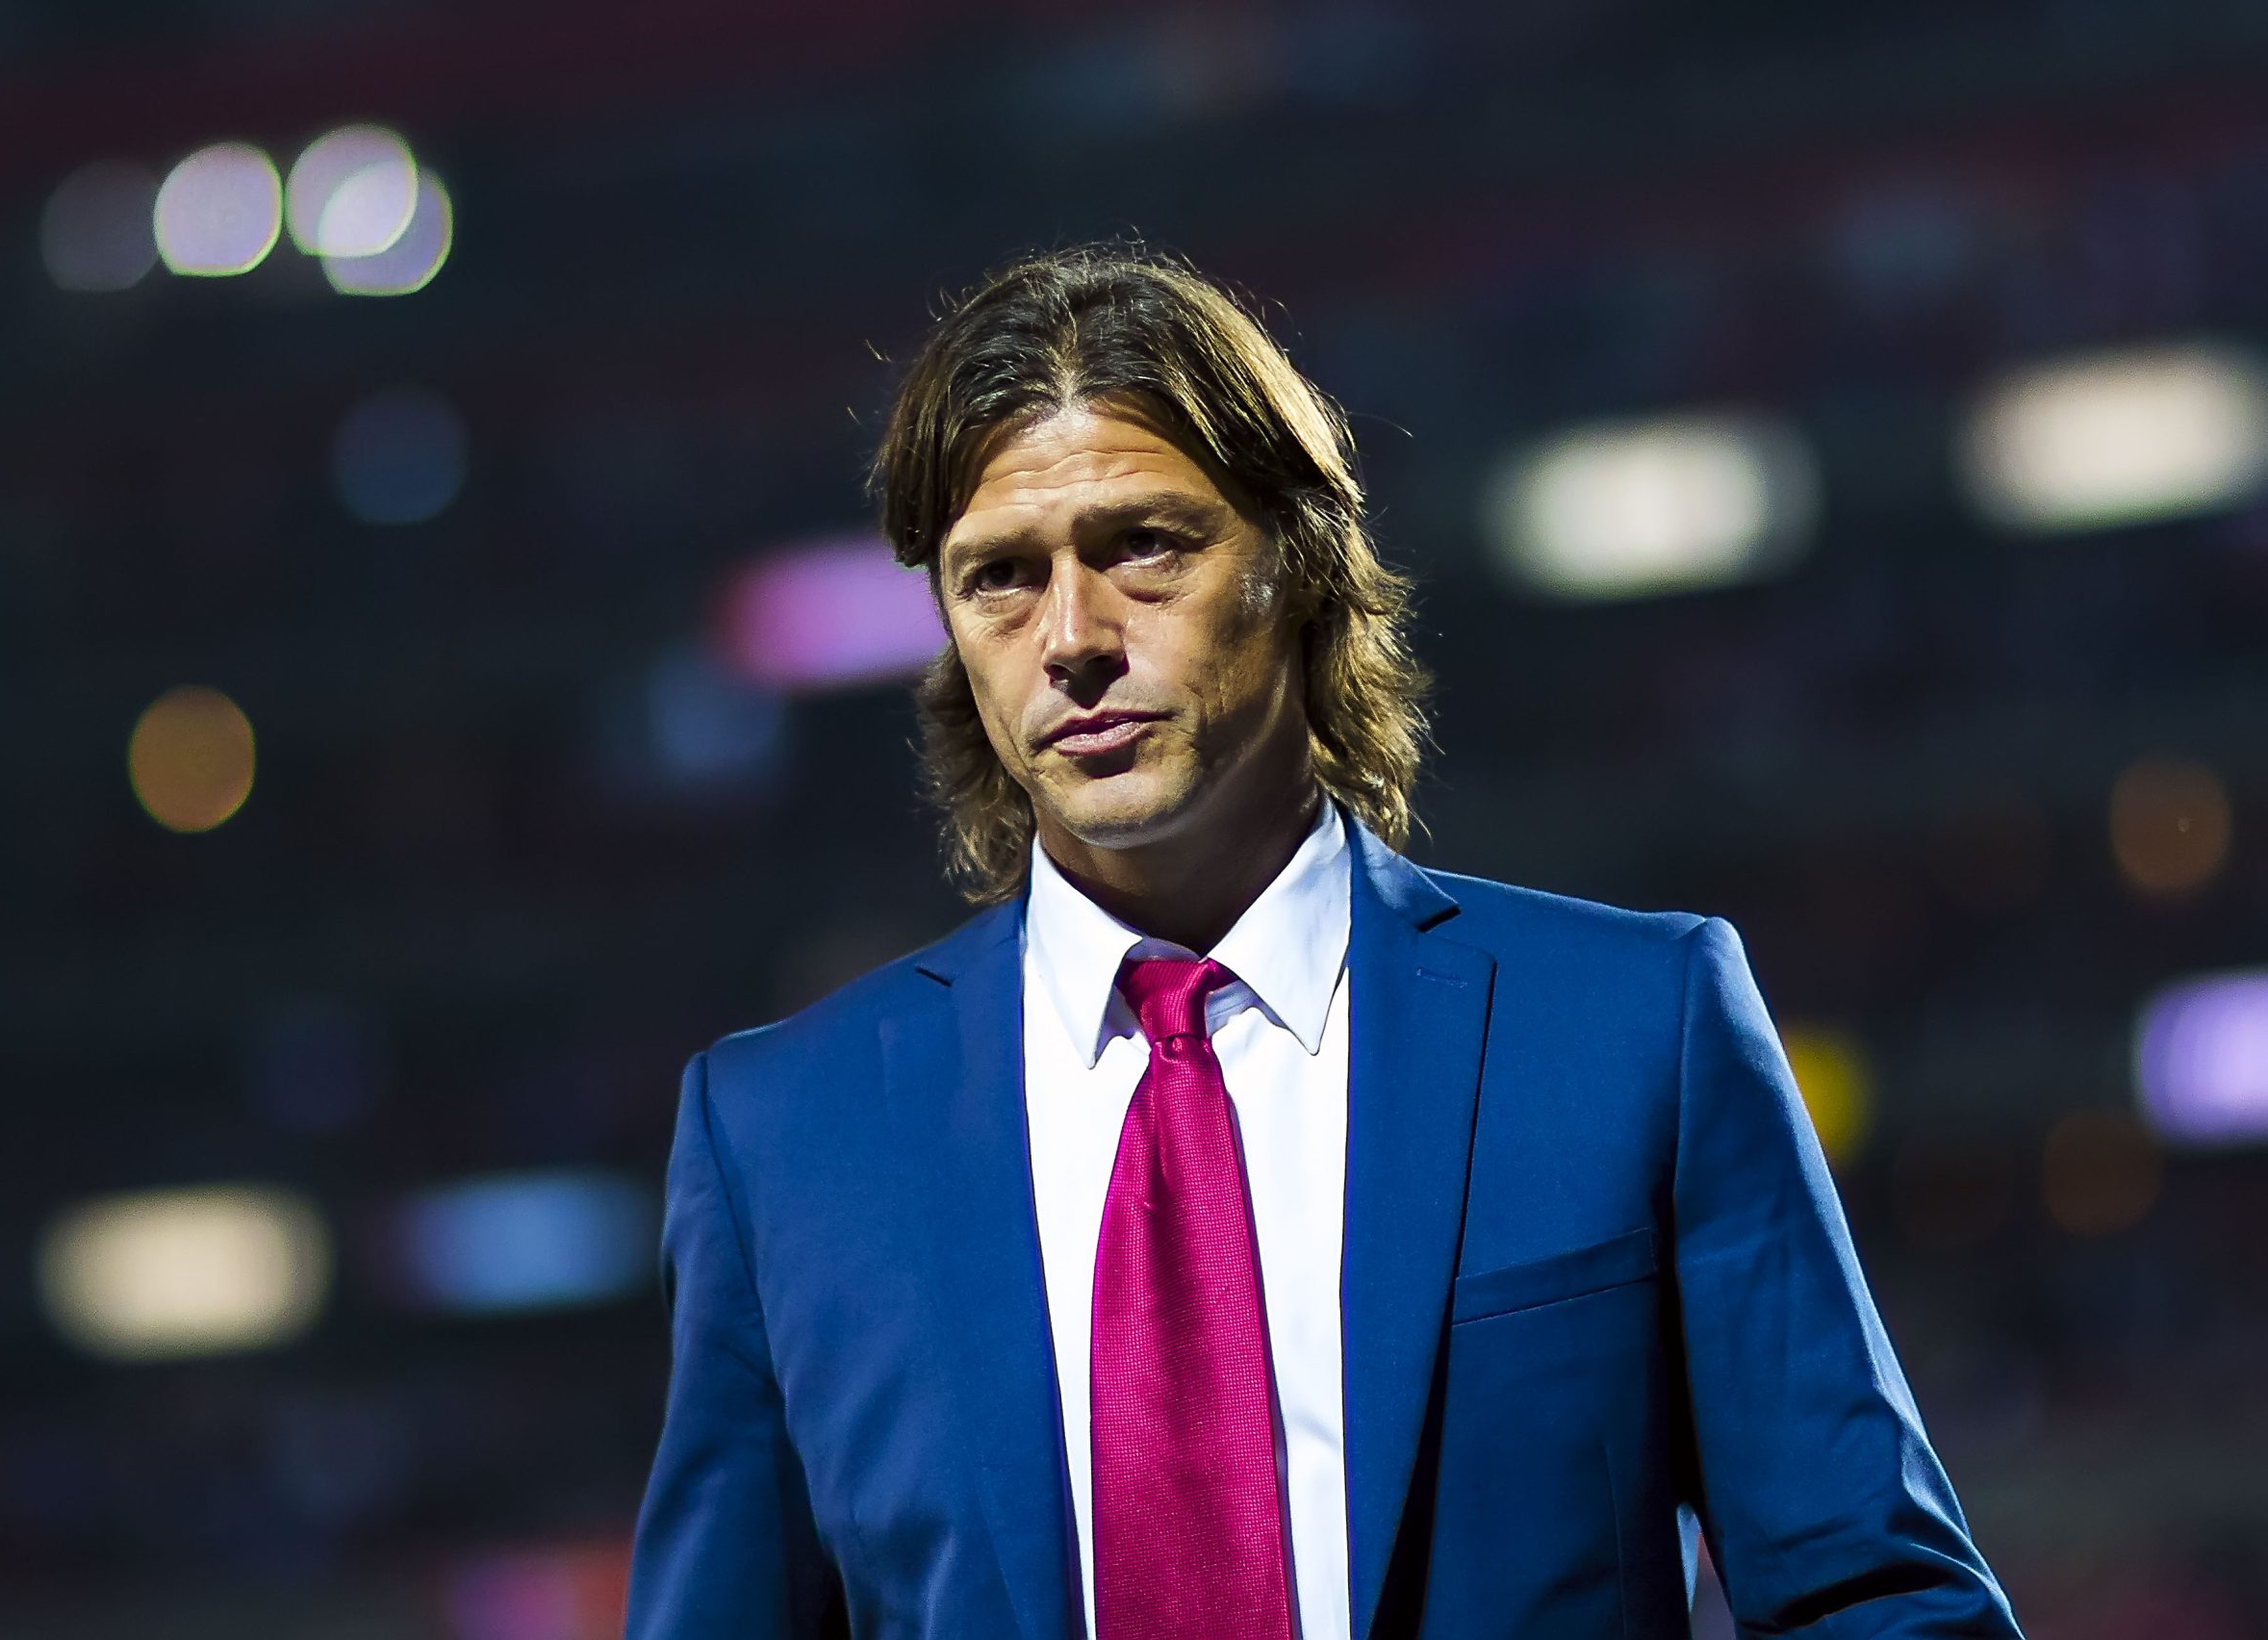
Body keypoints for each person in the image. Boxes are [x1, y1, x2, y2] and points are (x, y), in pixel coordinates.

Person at [623, 243, 2020, 1640]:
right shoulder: (781, 1138)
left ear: (1298, 561)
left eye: (1143, 546)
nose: (1073, 637)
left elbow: (1874, 1597)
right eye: (1000, 576)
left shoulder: (1634, 1028)